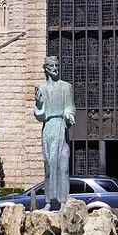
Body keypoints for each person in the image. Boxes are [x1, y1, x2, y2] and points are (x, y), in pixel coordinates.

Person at [34, 56, 75, 212]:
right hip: (48, 127)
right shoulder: (42, 89)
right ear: (46, 68)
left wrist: (69, 115)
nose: (55, 68)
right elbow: (40, 116)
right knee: (49, 166)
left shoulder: (66, 87)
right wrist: (38, 104)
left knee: (63, 165)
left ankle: (63, 202)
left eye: (57, 65)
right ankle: (49, 202)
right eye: (52, 66)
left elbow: (70, 106)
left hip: (61, 125)